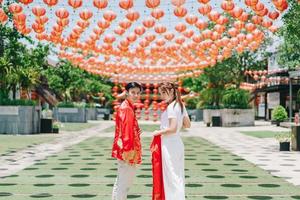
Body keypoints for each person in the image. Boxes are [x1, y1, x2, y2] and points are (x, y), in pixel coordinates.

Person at [151, 82, 191, 200]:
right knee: (177, 175)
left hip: (169, 144)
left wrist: (158, 132)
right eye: (160, 93)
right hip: (177, 143)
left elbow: (172, 129)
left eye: (164, 92)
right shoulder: (180, 105)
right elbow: (187, 125)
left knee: (171, 176)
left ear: (172, 91)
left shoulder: (171, 107)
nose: (162, 95)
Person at [111, 82, 143, 200]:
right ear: (126, 93)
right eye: (133, 92)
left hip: (125, 149)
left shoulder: (127, 106)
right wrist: (129, 153)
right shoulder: (126, 108)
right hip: (127, 151)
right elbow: (126, 132)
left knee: (121, 182)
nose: (135, 95)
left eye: (138, 93)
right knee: (124, 184)